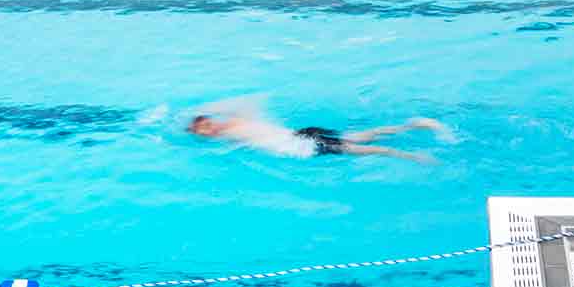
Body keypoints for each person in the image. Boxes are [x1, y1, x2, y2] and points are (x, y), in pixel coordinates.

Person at [187, 104, 446, 163]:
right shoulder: (235, 121)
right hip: (301, 133)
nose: (208, 134)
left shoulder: (228, 132)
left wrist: (198, 128)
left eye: (205, 129)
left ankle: (415, 156)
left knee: (363, 147)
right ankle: (414, 125)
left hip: (302, 143)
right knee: (361, 137)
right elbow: (248, 107)